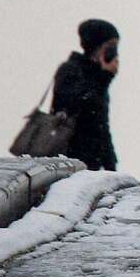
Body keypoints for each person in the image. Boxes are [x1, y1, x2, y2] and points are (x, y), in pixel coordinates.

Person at [52, 18, 120, 171]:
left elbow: (101, 124)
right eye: (110, 47)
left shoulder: (98, 75)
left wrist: (110, 164)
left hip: (95, 161)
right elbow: (79, 104)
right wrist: (105, 78)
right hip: (71, 158)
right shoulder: (71, 70)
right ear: (96, 46)